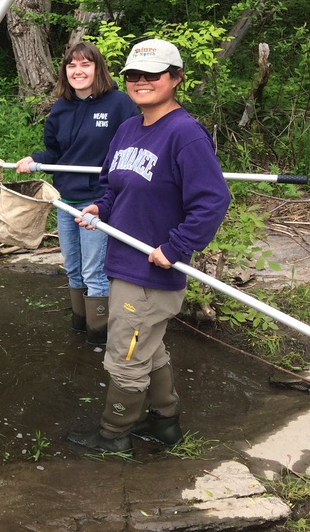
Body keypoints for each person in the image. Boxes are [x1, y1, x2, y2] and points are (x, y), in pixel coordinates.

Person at [65, 39, 231, 455]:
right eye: (133, 76)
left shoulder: (186, 135)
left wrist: (175, 247)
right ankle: (165, 423)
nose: (141, 82)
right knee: (148, 346)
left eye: (152, 75)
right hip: (122, 261)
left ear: (175, 78)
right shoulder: (127, 129)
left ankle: (113, 433)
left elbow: (213, 200)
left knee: (126, 354)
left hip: (153, 272)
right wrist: (100, 208)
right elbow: (112, 187)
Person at [16, 42, 138, 345]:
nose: (78, 71)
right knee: (72, 268)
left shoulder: (119, 104)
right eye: (72, 66)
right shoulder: (61, 107)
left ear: (97, 68)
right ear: (65, 71)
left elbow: (132, 149)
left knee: (93, 270)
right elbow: (55, 152)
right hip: (64, 198)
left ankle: (99, 340)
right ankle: (79, 330)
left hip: (98, 200)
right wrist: (35, 159)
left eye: (85, 64)